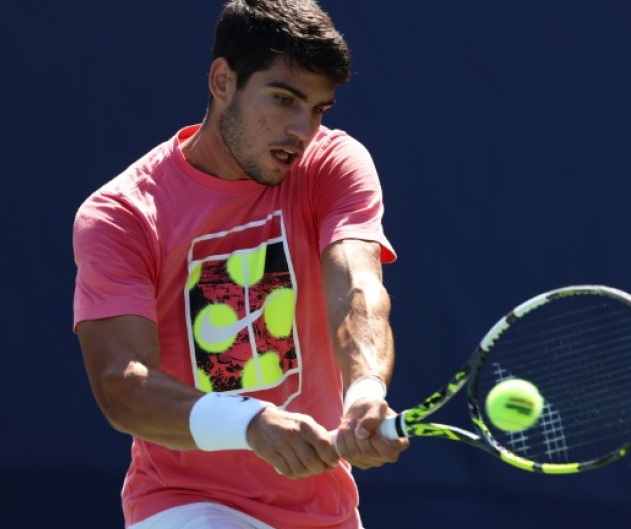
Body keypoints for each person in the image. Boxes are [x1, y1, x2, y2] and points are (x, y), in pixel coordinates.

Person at [72, 1, 408, 528]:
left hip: (326, 509)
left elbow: (356, 289)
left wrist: (366, 388)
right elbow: (123, 385)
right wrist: (251, 423)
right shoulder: (122, 215)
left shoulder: (333, 164)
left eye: (318, 109)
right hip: (183, 503)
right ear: (222, 81)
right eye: (283, 99)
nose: (301, 130)